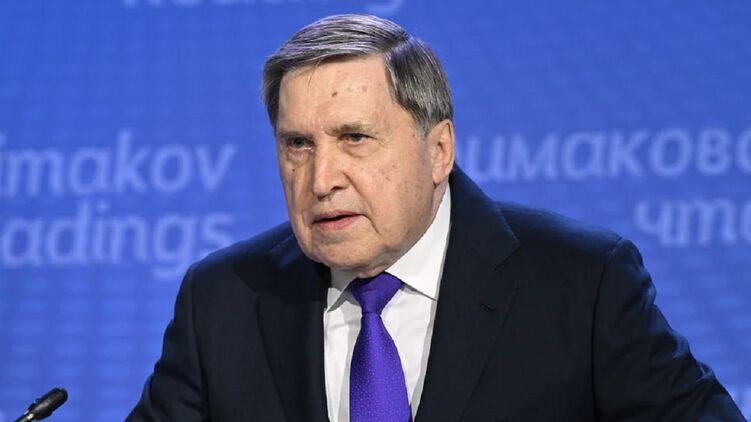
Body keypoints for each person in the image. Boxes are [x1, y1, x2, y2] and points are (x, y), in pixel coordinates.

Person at [127, 14, 745, 422]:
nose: (321, 179)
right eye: (298, 145)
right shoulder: (224, 299)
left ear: (439, 150)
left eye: (355, 138)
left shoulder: (581, 284)